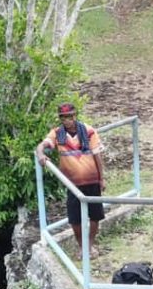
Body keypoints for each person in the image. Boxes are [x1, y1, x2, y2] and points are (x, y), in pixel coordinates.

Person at [36, 103, 105, 258]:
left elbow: (97, 156)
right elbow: (43, 144)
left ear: (75, 116)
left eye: (69, 117)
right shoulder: (57, 134)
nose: (67, 120)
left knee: (95, 215)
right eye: (63, 118)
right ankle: (82, 247)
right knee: (74, 218)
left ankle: (90, 245)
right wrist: (40, 154)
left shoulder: (89, 131)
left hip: (92, 180)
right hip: (72, 184)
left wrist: (102, 178)